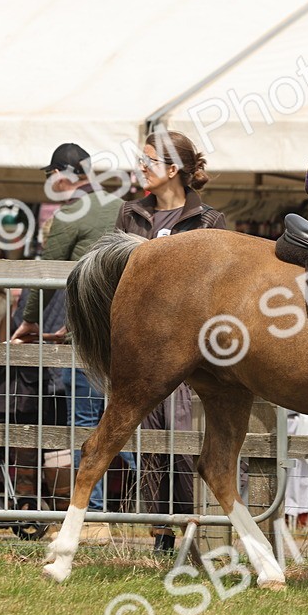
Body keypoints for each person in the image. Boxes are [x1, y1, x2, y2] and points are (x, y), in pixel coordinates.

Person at [116, 129, 225, 553]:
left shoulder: (208, 220)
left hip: (190, 348)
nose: (140, 168)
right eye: (140, 160)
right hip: (142, 345)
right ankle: (160, 532)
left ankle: (189, 529)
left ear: (173, 169)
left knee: (182, 441)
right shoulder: (130, 214)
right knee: (147, 440)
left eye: (148, 161)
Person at [11, 143, 124, 543]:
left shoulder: (70, 213)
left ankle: (92, 519)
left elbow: (46, 273)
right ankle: (163, 514)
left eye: (50, 175)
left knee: (86, 422)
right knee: (133, 423)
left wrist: (27, 322)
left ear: (63, 174)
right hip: (130, 332)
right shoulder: (122, 206)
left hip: (93, 339)